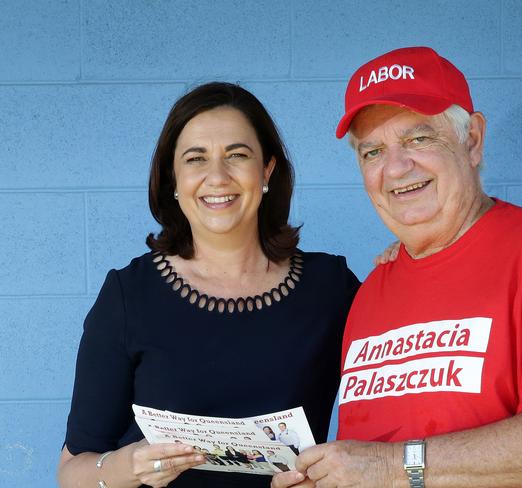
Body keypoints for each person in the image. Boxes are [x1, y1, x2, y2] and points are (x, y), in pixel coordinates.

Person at [272, 47, 522, 488]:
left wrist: (392, 467)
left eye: (419, 139)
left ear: (472, 140)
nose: (395, 167)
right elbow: (367, 461)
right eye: (371, 152)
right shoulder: (372, 291)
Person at [57, 82, 360, 488]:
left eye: (237, 155)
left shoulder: (331, 288)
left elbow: (395, 409)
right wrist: (127, 467)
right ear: (173, 180)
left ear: (266, 170)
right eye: (196, 159)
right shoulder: (128, 296)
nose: (217, 177)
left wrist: (410, 253)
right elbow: (71, 473)